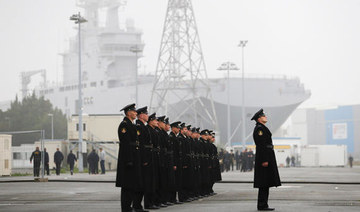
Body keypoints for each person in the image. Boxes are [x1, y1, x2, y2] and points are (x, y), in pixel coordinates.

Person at [251, 109, 281, 211]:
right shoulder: (260, 129)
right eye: (263, 116)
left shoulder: (262, 128)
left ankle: (264, 204)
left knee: (266, 182)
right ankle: (262, 205)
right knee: (264, 182)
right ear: (259, 119)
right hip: (264, 158)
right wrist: (264, 159)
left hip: (267, 156)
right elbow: (261, 145)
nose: (265, 117)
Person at [116, 103, 143, 212]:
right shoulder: (124, 125)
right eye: (134, 111)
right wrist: (129, 160)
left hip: (134, 158)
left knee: (132, 185)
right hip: (128, 159)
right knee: (127, 186)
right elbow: (126, 144)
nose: (136, 113)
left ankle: (129, 206)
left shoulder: (131, 125)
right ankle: (126, 208)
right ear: (128, 113)